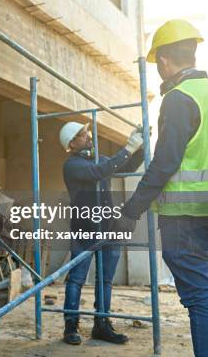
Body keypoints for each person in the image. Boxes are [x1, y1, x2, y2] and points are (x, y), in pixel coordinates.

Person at [120, 20, 208, 357]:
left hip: (185, 216)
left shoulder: (178, 98)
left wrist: (132, 210)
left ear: (162, 61)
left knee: (200, 299)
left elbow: (164, 164)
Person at [59, 121, 143, 345]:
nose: (88, 136)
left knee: (105, 280)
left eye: (86, 132)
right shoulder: (73, 165)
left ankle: (102, 325)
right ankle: (70, 326)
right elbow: (99, 173)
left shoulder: (99, 159)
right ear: (72, 143)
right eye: (82, 134)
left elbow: (127, 167)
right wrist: (127, 147)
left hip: (108, 227)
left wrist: (140, 145)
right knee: (76, 279)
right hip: (84, 229)